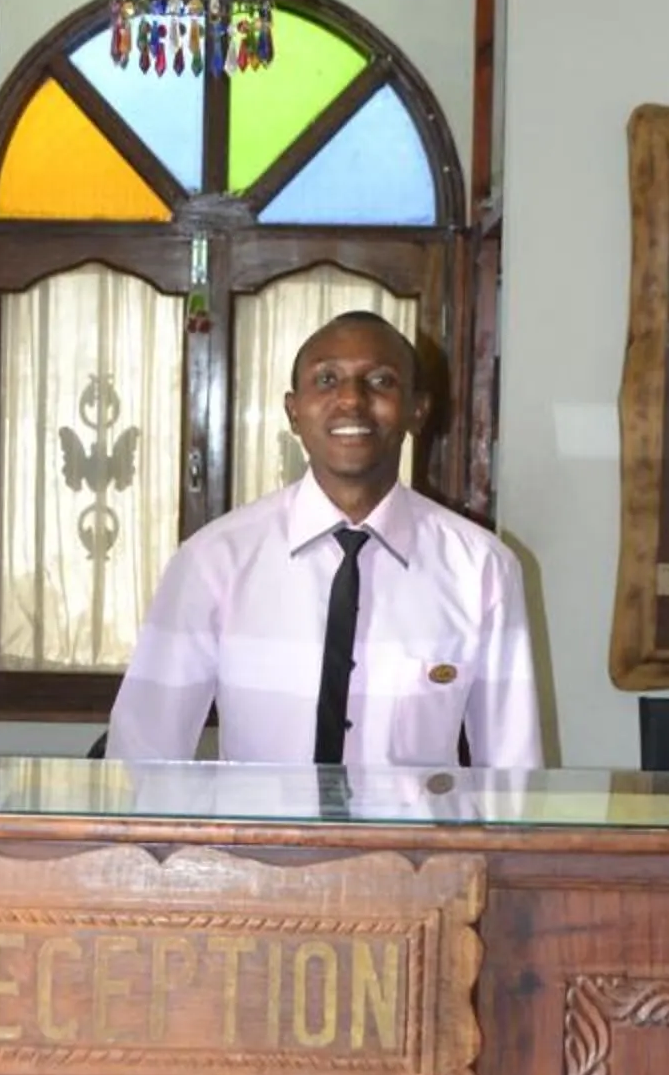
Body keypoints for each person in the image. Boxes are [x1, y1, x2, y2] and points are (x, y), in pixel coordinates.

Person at [105, 310, 542, 771]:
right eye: (327, 379)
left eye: (381, 381)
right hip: (255, 845)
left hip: (414, 844)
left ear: (417, 410)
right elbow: (141, 756)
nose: (351, 400)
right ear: (294, 412)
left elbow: (514, 773)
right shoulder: (214, 561)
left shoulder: (483, 569)